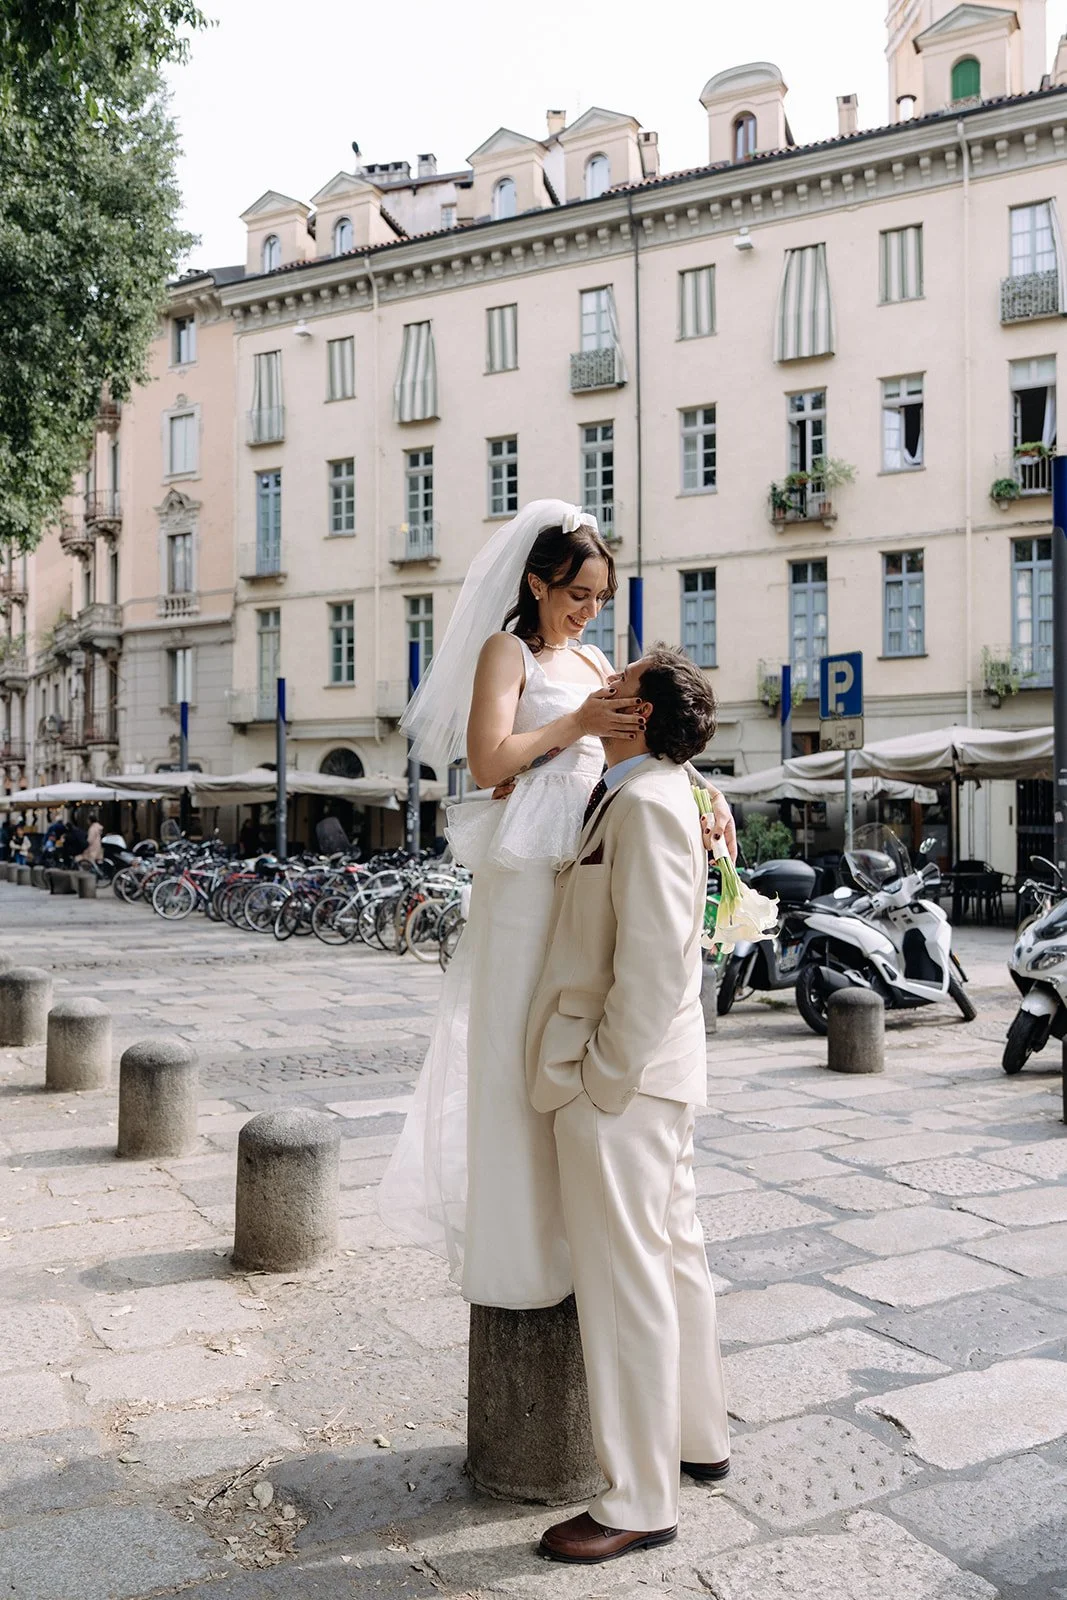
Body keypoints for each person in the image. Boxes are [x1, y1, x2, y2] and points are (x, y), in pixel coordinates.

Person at [377, 500, 734, 1311]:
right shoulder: (506, 652)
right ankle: (520, 1256)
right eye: (577, 593)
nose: (589, 610)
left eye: (600, 596)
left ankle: (579, 1235)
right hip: (527, 867)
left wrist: (703, 791)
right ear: (536, 582)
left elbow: (639, 741)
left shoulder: (598, 654)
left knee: (575, 1024)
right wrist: (571, 722)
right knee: (516, 1040)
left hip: (589, 855)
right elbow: (483, 761)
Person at [527, 646, 730, 1563]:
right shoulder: (655, 791)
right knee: (673, 1259)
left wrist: (600, 1077)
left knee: (623, 1284)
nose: (596, 688)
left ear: (639, 715)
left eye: (613, 687)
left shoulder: (647, 803)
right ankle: (697, 1440)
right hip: (654, 1076)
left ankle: (638, 1500)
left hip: (625, 1081)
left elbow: (653, 962)